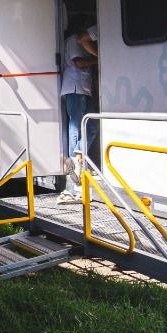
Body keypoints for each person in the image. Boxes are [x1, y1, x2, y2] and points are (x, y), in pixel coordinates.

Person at [57, 20, 99, 204]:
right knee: (76, 125)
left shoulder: (76, 39)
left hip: (83, 88)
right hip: (76, 87)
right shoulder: (74, 39)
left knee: (92, 124)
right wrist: (98, 58)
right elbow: (79, 62)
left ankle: (77, 155)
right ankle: (74, 165)